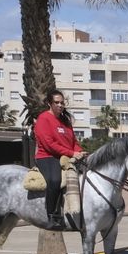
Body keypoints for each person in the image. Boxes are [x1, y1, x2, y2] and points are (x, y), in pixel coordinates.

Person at [34, 89, 83, 229]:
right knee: (55, 181)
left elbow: (74, 142)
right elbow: (49, 145)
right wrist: (71, 153)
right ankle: (51, 216)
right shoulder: (44, 119)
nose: (60, 105)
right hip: (48, 157)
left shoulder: (65, 121)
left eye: (62, 103)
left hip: (65, 156)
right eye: (57, 102)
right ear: (50, 103)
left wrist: (79, 152)